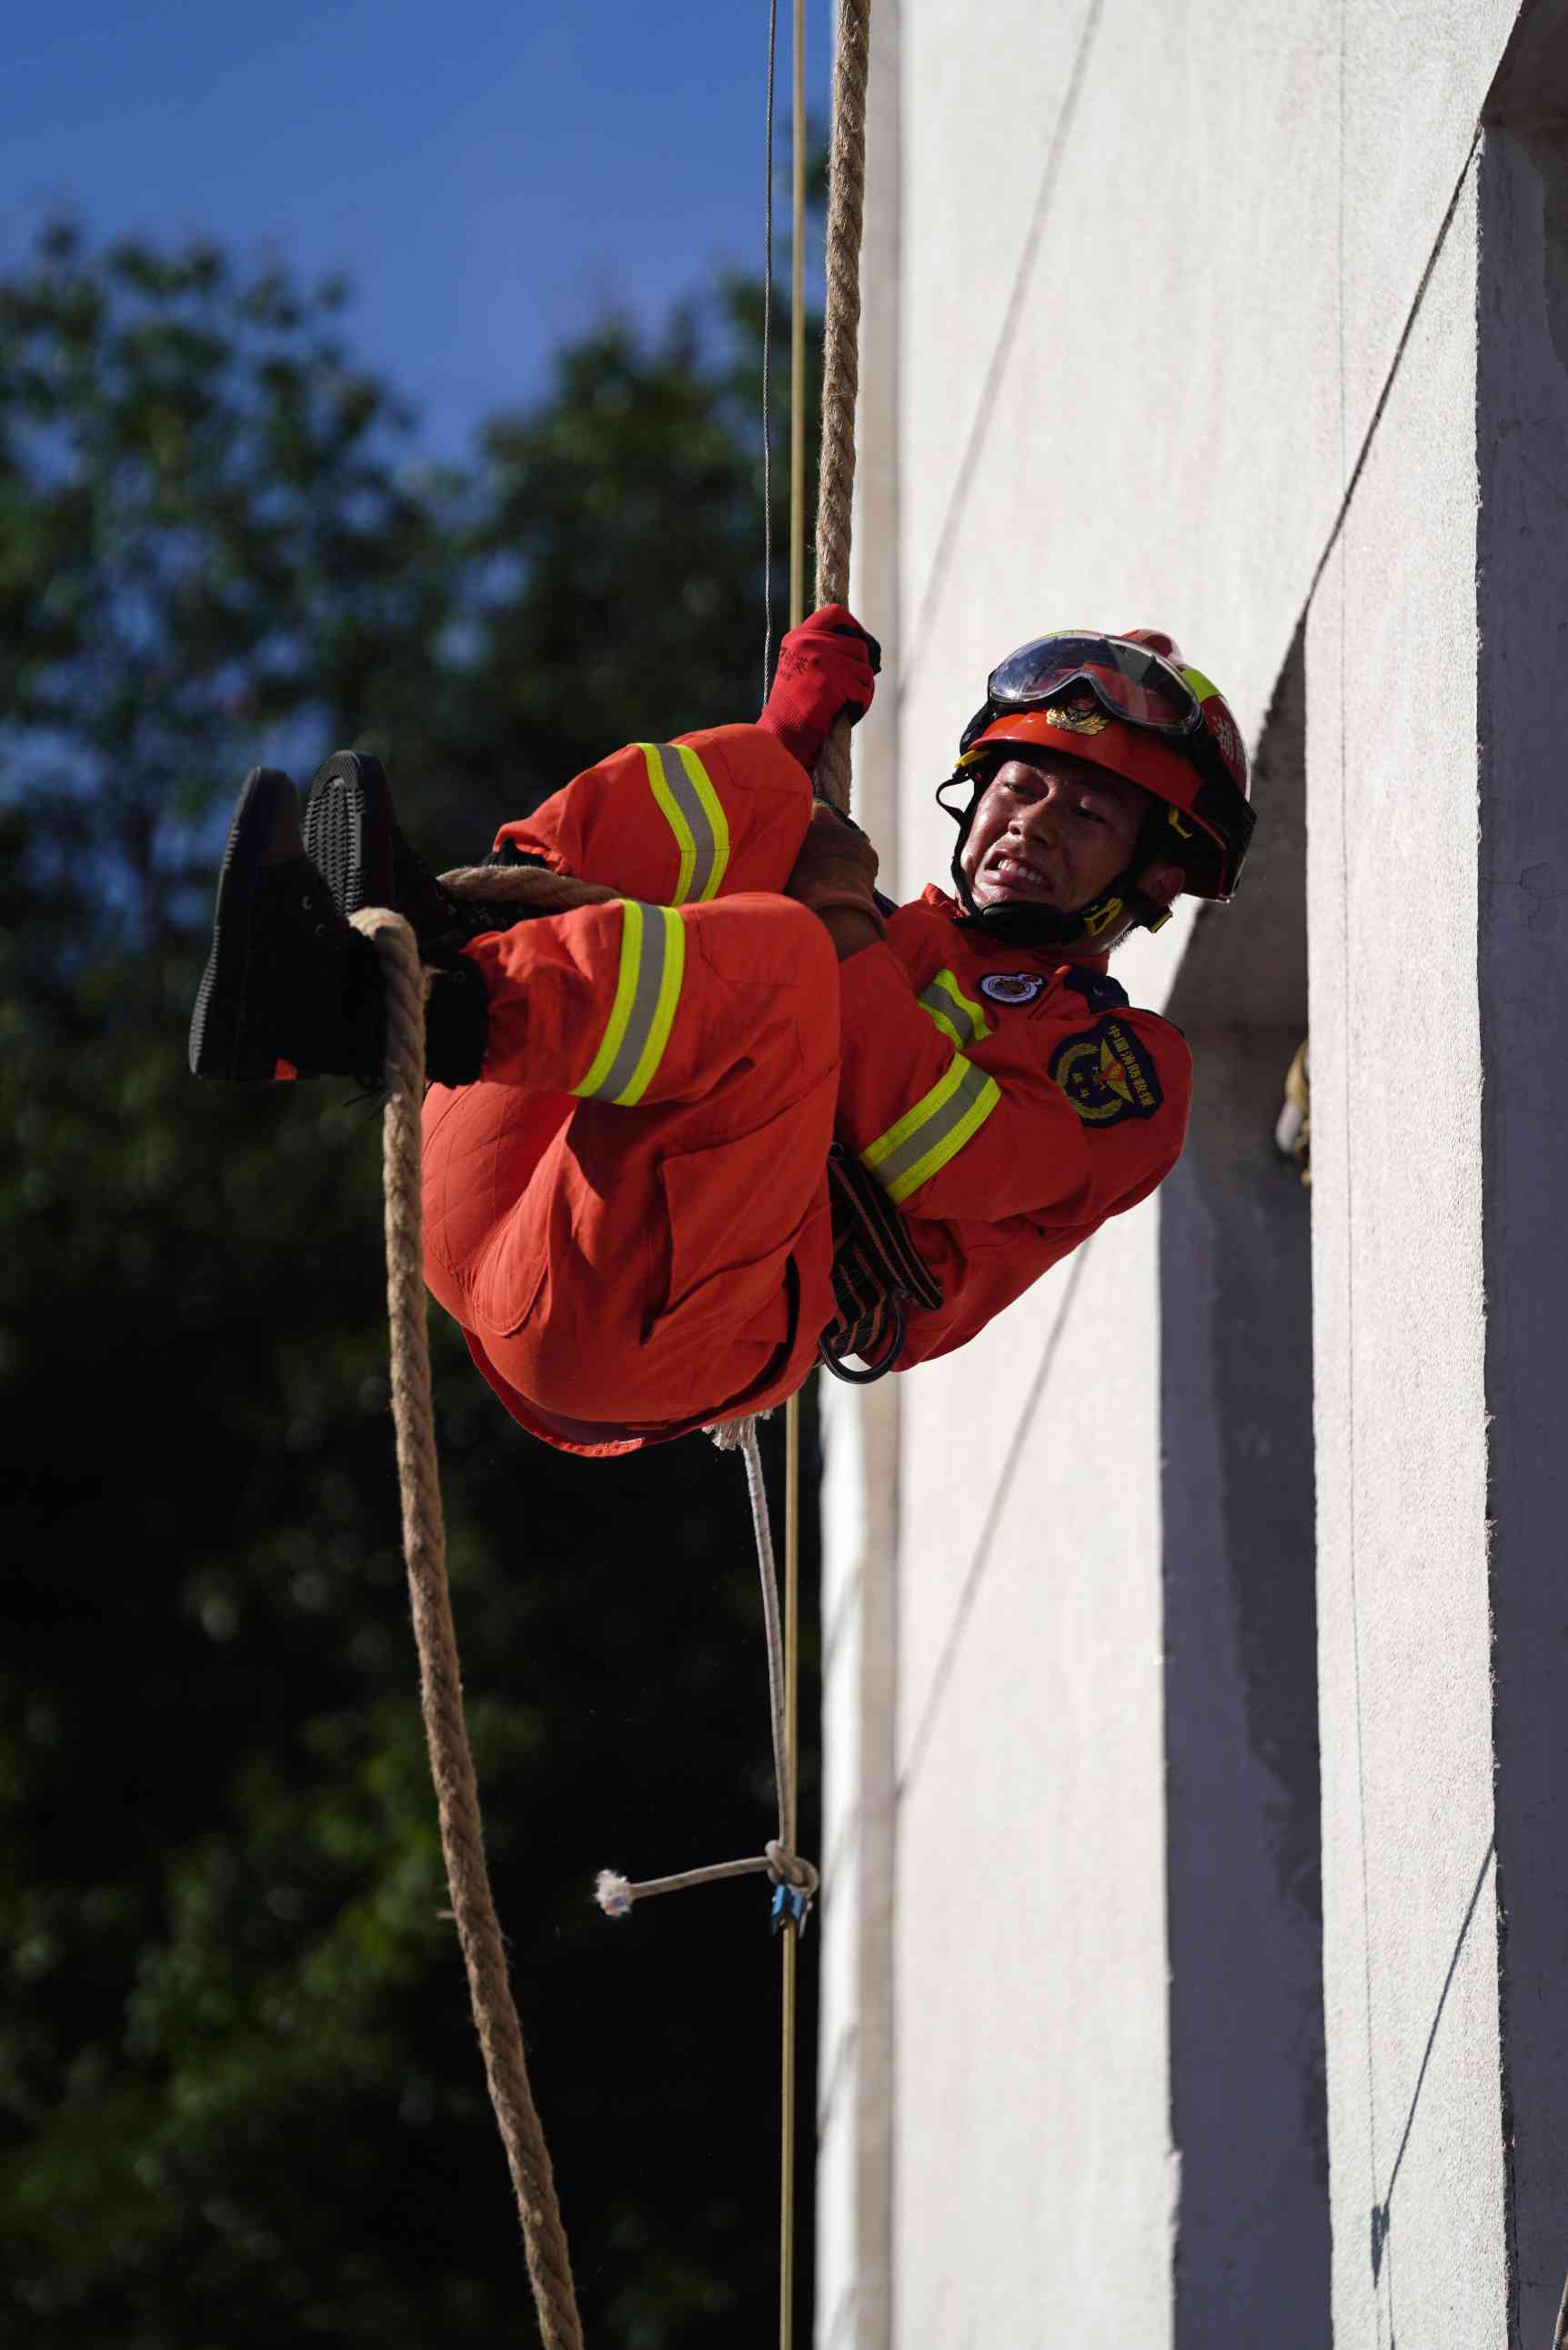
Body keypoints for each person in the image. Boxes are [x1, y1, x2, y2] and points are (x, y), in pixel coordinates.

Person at [189, 613, 1254, 1455]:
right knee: (767, 800)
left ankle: (402, 1005)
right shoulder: (878, 930)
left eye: (1085, 816)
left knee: (781, 953)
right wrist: (788, 744)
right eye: (1019, 786)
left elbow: (938, 1151)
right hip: (495, 1191)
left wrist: (838, 920)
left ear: (1150, 878)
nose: (1029, 822)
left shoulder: (1125, 1070)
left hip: (646, 1326)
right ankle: (411, 958)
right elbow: (778, 919)